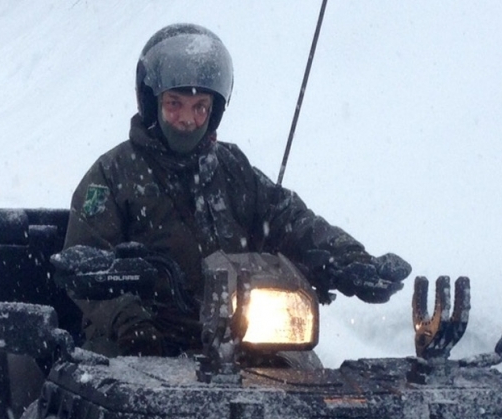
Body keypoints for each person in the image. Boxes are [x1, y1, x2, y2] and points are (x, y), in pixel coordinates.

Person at [64, 24, 412, 356]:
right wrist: (126, 318)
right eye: (175, 104)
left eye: (200, 107)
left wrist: (348, 261)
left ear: (214, 111)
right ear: (152, 102)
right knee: (113, 396)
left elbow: (289, 219)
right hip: (144, 342)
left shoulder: (232, 169)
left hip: (240, 339)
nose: (188, 119)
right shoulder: (112, 175)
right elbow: (84, 263)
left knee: (306, 384)